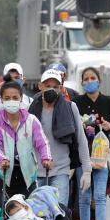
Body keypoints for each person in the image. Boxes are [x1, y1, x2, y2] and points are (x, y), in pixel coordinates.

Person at [28, 69, 92, 205]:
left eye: (55, 87)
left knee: (59, 213)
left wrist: (87, 171)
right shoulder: (31, 109)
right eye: (48, 86)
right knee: (38, 217)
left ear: (61, 89)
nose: (51, 89)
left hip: (61, 171)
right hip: (35, 172)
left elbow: (81, 139)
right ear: (40, 86)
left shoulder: (70, 107)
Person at [73, 66, 110, 220]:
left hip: (101, 157)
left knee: (100, 197)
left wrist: (108, 127)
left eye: (93, 78)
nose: (90, 81)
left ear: (99, 80)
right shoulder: (76, 103)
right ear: (82, 82)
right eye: (86, 79)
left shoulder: (109, 102)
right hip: (83, 157)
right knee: (83, 198)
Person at [0, 81, 52, 209]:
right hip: (5, 176)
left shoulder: (31, 120)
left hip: (28, 177)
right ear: (1, 100)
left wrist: (46, 158)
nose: (11, 101)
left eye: (15, 98)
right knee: (4, 214)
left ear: (21, 98)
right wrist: (2, 159)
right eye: (7, 98)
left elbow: (43, 142)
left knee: (30, 212)